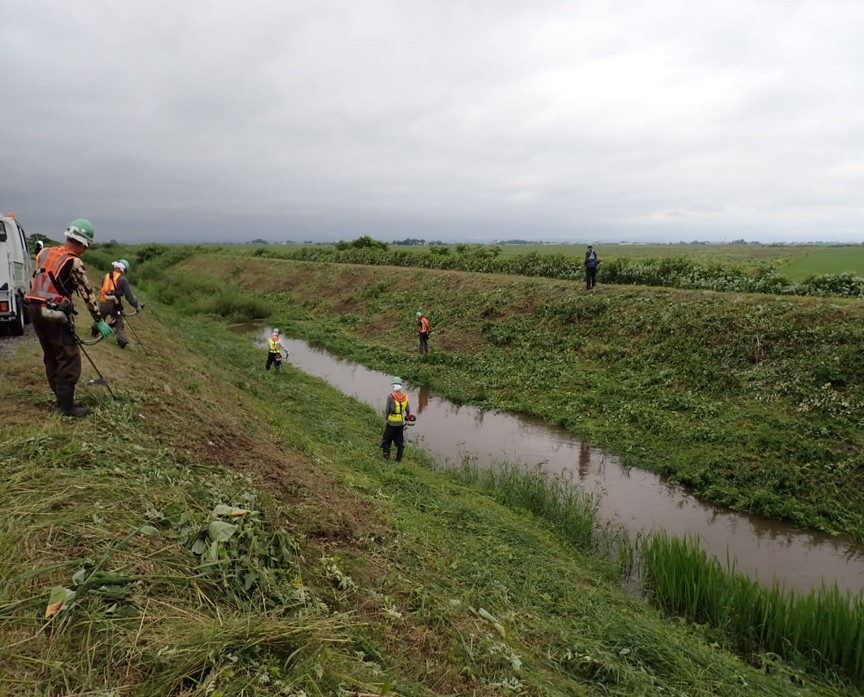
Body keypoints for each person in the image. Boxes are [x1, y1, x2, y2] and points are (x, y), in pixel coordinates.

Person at [24, 218, 114, 417]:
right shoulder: (73, 261)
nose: (84, 251)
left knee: (51, 354)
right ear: (83, 243)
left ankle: (61, 398)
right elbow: (87, 293)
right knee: (69, 357)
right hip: (52, 313)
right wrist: (99, 320)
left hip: (33, 308)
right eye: (85, 247)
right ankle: (67, 407)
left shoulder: (44, 252)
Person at [99, 258, 142, 349]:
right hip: (114, 304)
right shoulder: (122, 279)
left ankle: (94, 331)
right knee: (119, 323)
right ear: (123, 269)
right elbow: (129, 296)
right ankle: (122, 341)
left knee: (99, 319)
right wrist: (136, 305)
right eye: (125, 271)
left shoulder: (105, 276)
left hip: (103, 302)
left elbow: (103, 287)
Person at [380, 376, 412, 462]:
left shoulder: (390, 396)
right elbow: (408, 410)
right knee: (399, 441)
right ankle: (398, 460)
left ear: (393, 386)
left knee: (387, 439)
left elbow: (387, 409)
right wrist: (408, 416)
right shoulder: (405, 397)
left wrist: (386, 417)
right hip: (400, 422)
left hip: (391, 422)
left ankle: (386, 457)